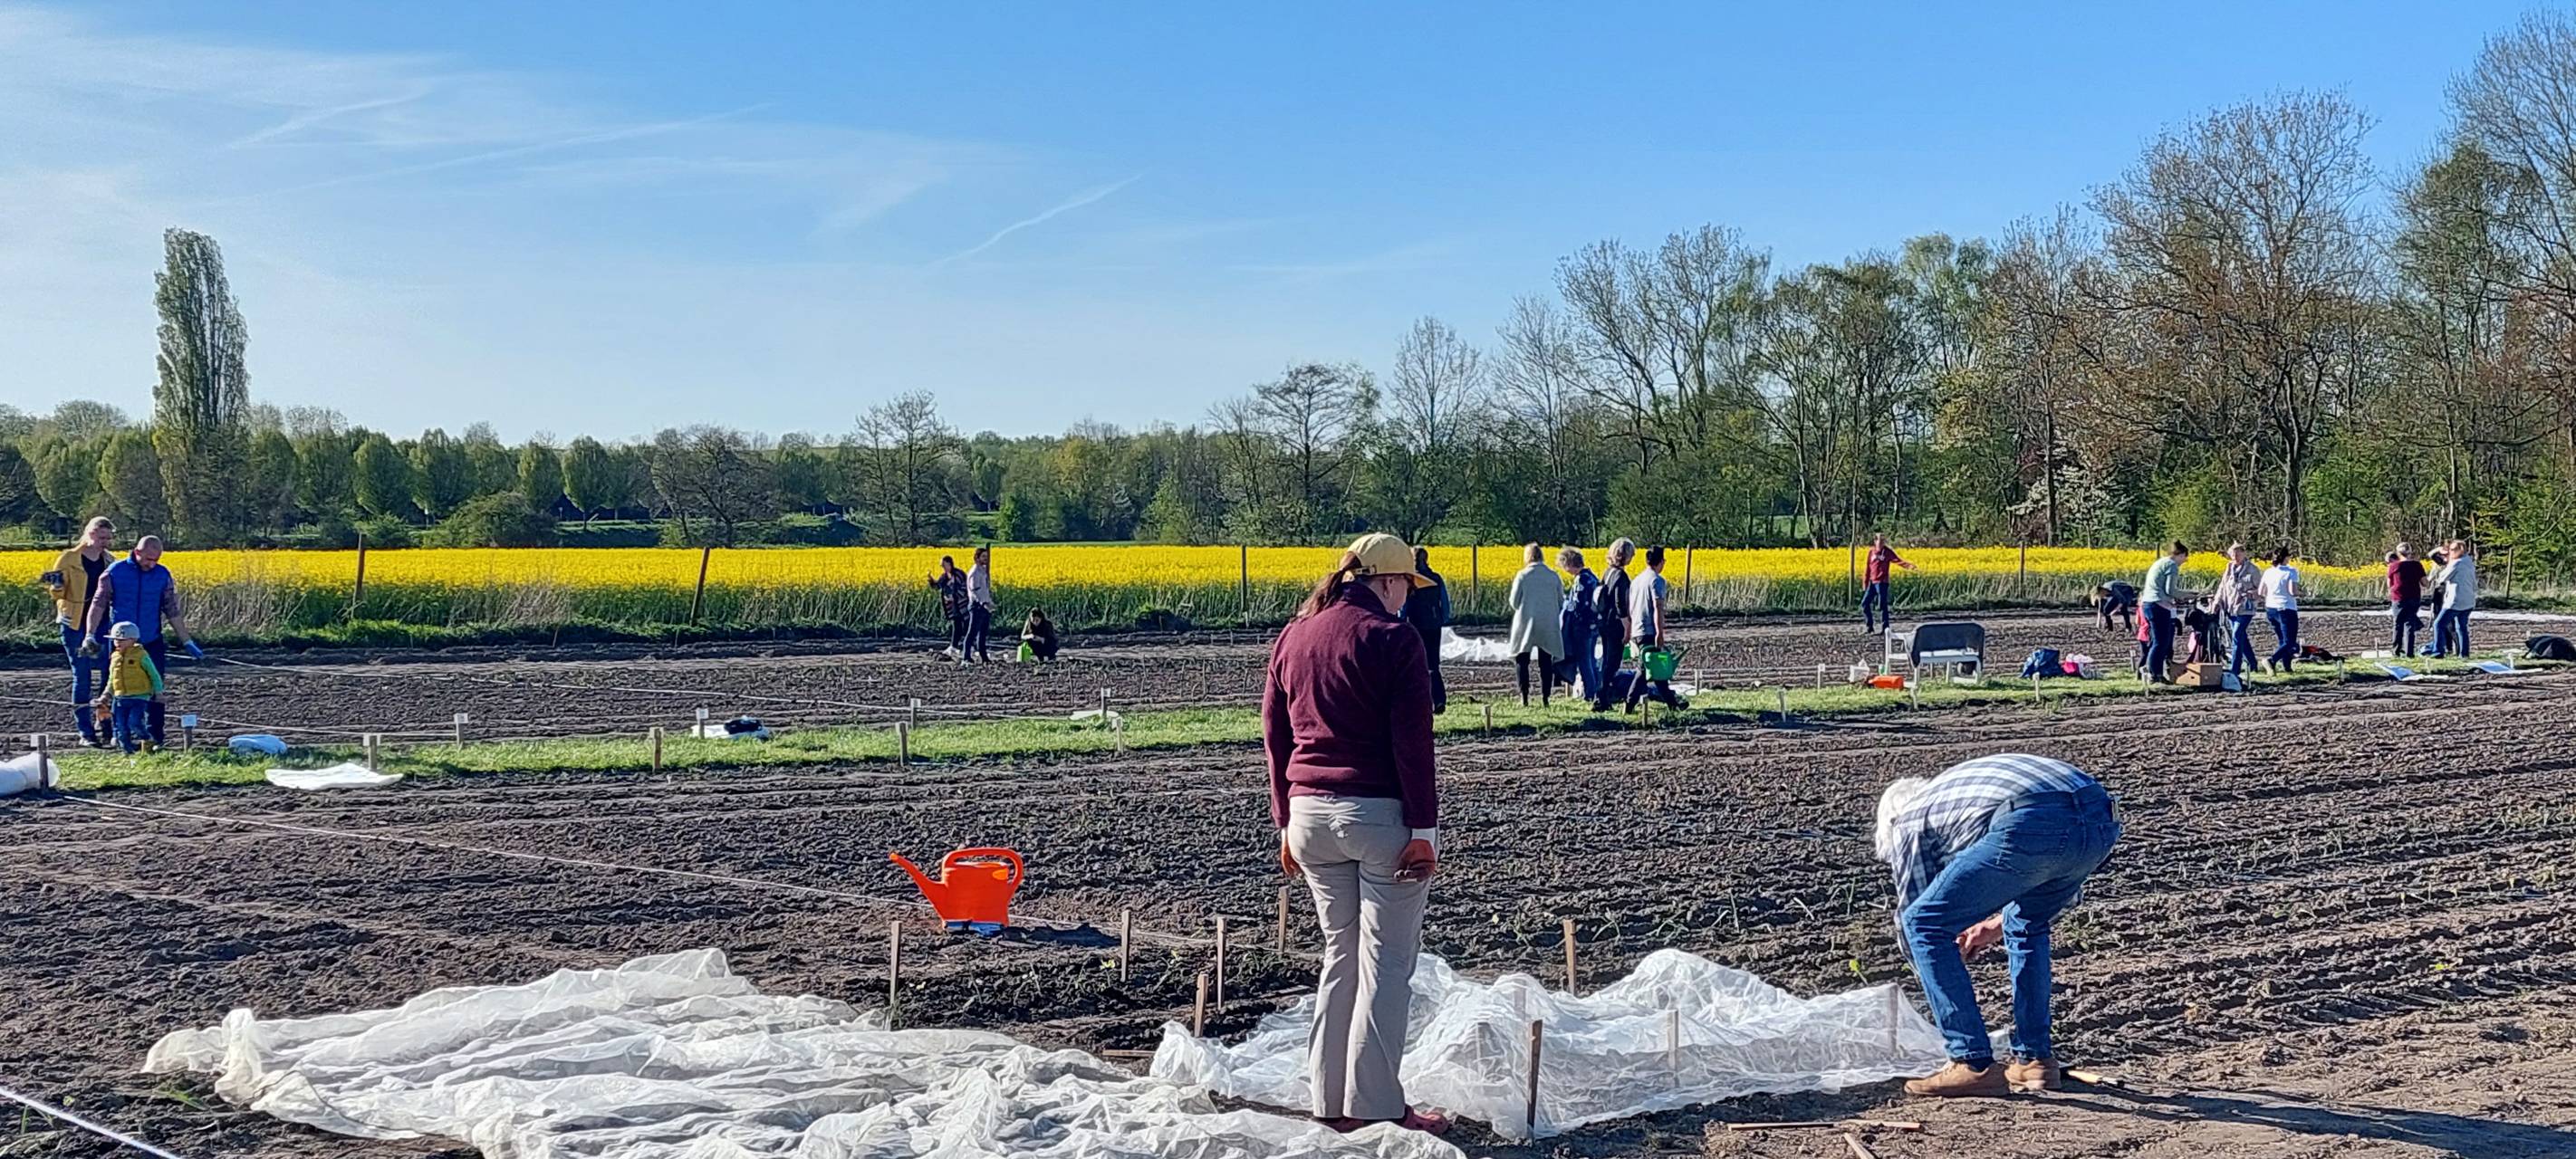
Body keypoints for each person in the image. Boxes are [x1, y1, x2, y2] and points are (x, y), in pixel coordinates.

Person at [1264, 532, 1447, 1136]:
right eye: (1406, 588)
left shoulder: (1295, 635)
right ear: (1389, 582)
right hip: (1377, 818)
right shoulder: (1394, 641)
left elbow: (1275, 735)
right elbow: (1412, 745)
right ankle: (1377, 1105)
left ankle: (1327, 1100)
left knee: (1340, 956)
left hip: (1309, 817)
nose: (1408, 600)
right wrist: (1423, 829)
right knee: (1386, 962)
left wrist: (1286, 820)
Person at [1878, 753, 2121, 1097]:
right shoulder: (1961, 801)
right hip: (2100, 815)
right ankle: (2034, 1062)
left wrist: (1939, 969)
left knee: (1924, 924)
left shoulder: (1908, 821)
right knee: (2027, 923)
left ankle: (1971, 1063)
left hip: (2030, 818)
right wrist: (1993, 925)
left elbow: (1915, 921)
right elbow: (2061, 884)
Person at [83, 535, 199, 748]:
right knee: (112, 686)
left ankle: (156, 736)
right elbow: (98, 605)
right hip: (120, 642)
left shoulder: (163, 575)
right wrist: (89, 634)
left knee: (155, 687)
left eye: (156, 559)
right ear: (137, 552)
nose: (151, 564)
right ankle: (111, 732)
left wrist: (187, 640)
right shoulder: (114, 573)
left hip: (151, 640)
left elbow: (171, 609)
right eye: (148, 559)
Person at [42, 516, 116, 748]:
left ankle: (106, 726)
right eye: (101, 537)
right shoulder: (68, 558)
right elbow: (54, 589)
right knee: (82, 676)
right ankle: (85, 732)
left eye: (108, 538)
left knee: (108, 675)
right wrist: (56, 587)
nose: (104, 542)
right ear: (90, 534)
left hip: (103, 625)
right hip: (74, 624)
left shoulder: (110, 560)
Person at [1504, 543, 1566, 708]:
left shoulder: (1522, 576)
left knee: (1522, 659)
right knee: (1546, 661)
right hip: (1547, 623)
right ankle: (1545, 697)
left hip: (1526, 623)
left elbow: (1514, 602)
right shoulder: (1553, 576)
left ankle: (1524, 697)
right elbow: (1561, 601)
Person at [1622, 545, 1673, 713]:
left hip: (1637, 629)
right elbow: (1658, 607)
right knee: (1645, 669)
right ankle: (1629, 705)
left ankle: (1673, 703)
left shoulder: (1636, 580)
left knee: (1655, 669)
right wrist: (1660, 633)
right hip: (1649, 630)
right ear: (1661, 562)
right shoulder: (1657, 580)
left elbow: (1629, 608)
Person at [102, 621, 164, 754]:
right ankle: (127, 752)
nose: (118, 642)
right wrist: (107, 693)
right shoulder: (114, 657)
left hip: (139, 695)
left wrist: (158, 692)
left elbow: (154, 674)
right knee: (120, 726)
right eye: (115, 640)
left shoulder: (141, 655)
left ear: (134, 639)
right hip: (119, 697)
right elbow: (112, 678)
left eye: (122, 640)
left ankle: (148, 741)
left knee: (135, 722)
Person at [1402, 547, 1449, 715]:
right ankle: (1439, 699)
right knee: (1434, 664)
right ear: (1426, 559)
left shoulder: (1411, 580)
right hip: (1434, 625)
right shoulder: (1436, 578)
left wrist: (1401, 622)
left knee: (1417, 665)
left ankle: (1422, 701)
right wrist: (1442, 619)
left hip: (1416, 626)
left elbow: (1403, 606)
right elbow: (1445, 602)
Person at [1556, 547, 1603, 705]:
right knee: (1591, 659)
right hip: (1593, 625)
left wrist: (1565, 606)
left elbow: (1578, 606)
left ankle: (1590, 694)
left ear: (1569, 564)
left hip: (1582, 627)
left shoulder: (1581, 580)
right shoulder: (1592, 577)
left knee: (1585, 662)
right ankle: (1597, 690)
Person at [1592, 540, 1635, 713]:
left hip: (1603, 622)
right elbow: (1620, 604)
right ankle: (1600, 697)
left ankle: (1602, 697)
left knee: (1607, 661)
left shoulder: (1608, 572)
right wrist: (1627, 628)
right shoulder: (1621, 576)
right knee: (1612, 662)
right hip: (1615, 624)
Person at [2139, 541, 2188, 685]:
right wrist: (2188, 595)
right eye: (2185, 558)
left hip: (2148, 604)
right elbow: (2170, 591)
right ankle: (2155, 674)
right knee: (2162, 642)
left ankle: (2153, 672)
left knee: (2156, 641)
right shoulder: (2172, 566)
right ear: (2181, 554)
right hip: (2158, 606)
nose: (2184, 561)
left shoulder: (2160, 562)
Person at [2212, 542, 2261, 678]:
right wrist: (2217, 603)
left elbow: (2261, 590)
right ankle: (2253, 664)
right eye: (2233, 554)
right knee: (2240, 637)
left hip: (2245, 609)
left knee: (2236, 636)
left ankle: (2235, 669)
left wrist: (2252, 593)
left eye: (2238, 553)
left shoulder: (2253, 570)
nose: (2235, 557)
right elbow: (2222, 588)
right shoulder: (2229, 569)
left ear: (2244, 553)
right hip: (2230, 608)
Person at [1860, 532, 1918, 635]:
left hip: (1882, 582)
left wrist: (1909, 566)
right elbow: (1867, 568)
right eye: (1879, 540)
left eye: (1883, 541)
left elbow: (1897, 560)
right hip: (1872, 583)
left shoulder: (1887, 552)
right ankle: (1869, 627)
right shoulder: (1871, 552)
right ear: (1875, 541)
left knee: (1882, 605)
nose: (1882, 543)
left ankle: (1885, 628)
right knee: (1865, 603)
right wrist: (1865, 583)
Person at [2430, 541, 2478, 658]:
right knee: (2461, 627)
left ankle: (2438, 652)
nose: (2450, 552)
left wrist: (2448, 562)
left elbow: (2442, 578)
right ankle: (2464, 654)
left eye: (2452, 550)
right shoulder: (2469, 561)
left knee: (2438, 624)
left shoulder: (2456, 563)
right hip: (2469, 600)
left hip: (2455, 601)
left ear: (2460, 550)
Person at [2259, 548, 2301, 673]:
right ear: (2286, 558)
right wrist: (2302, 593)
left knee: (2282, 639)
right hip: (2286, 608)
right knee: (2290, 641)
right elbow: (2292, 591)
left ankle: (2287, 667)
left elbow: (2261, 591)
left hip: (2271, 608)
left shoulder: (2268, 572)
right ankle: (2272, 660)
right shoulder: (2291, 571)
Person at [2388, 543, 2427, 658]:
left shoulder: (2393, 566)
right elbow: (2425, 583)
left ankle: (2396, 651)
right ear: (2410, 552)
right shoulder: (2417, 565)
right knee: (2409, 624)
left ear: (2398, 553)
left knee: (2398, 624)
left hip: (2398, 597)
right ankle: (2410, 652)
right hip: (2414, 597)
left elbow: (2389, 584)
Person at [928, 557, 967, 659]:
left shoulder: (959, 574)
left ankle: (969, 646)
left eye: (943, 564)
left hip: (962, 604)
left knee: (967, 625)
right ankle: (954, 646)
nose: (942, 567)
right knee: (956, 625)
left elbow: (965, 587)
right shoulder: (944, 576)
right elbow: (938, 586)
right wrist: (931, 581)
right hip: (952, 606)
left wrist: (955, 596)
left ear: (949, 563)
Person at [964, 546, 996, 665]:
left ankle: (984, 657)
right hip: (977, 606)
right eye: (983, 557)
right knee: (972, 632)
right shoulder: (974, 572)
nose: (986, 559)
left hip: (985, 605)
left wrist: (990, 602)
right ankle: (966, 657)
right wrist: (983, 603)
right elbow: (975, 591)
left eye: (986, 557)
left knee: (983, 633)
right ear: (977, 558)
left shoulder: (983, 571)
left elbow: (985, 590)